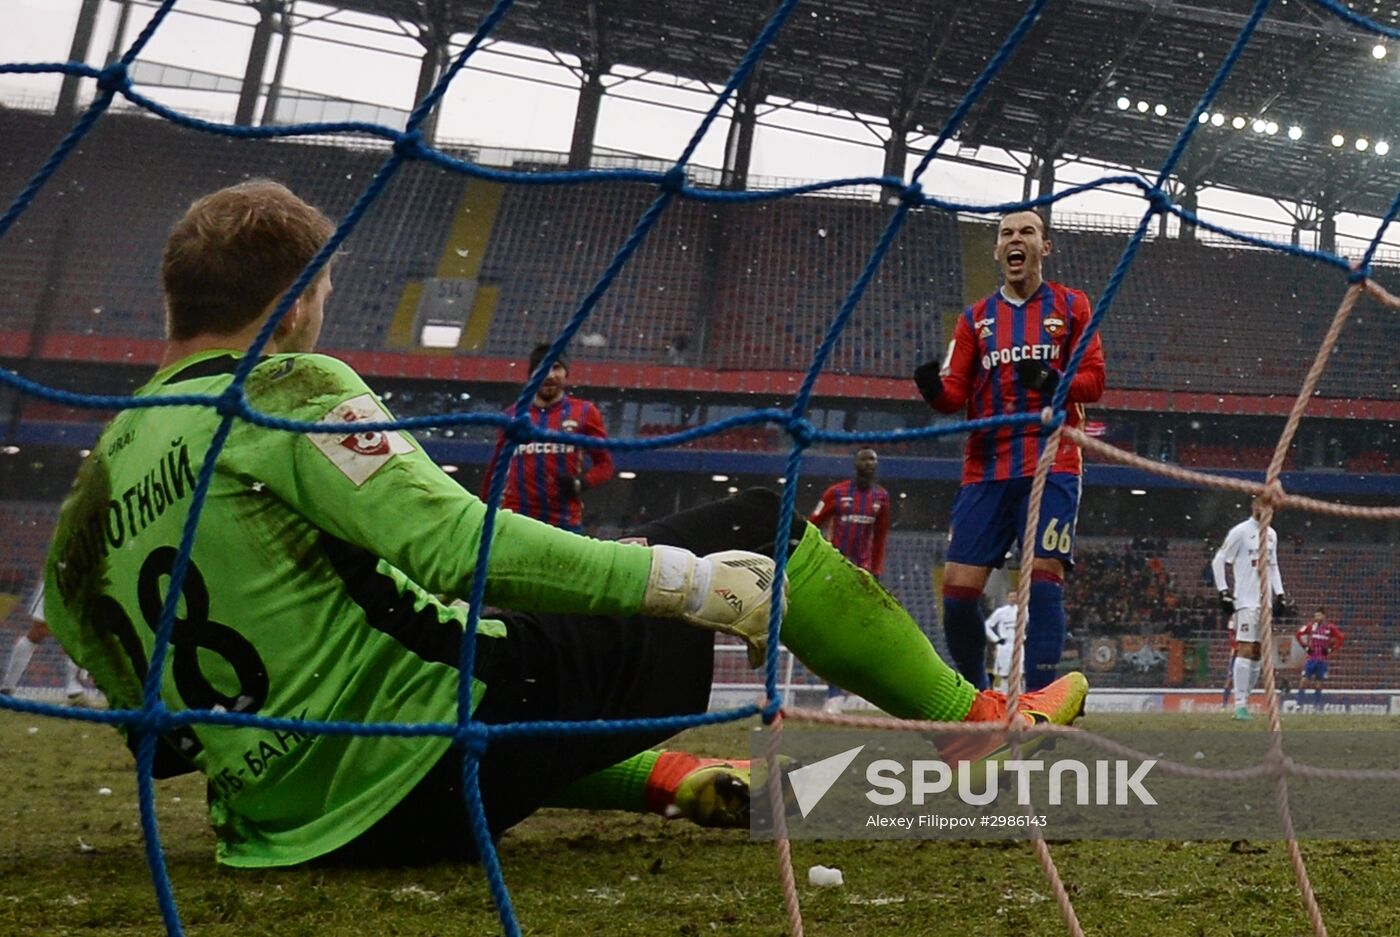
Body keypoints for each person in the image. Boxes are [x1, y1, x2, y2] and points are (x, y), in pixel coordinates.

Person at [40, 180, 1089, 869]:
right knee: (753, 520)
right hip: (425, 775)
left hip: (273, 833)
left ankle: (665, 778)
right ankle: (971, 722)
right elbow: (455, 546)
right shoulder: (286, 383)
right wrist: (685, 582)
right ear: (306, 294)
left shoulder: (101, 478)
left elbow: (147, 718)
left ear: (173, 302)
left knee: (465, 667)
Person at [913, 209, 1106, 691]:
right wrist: (932, 391)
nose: (1015, 240)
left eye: (1027, 232)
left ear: (1045, 247)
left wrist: (1055, 381)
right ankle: (979, 696)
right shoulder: (974, 319)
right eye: (1006, 234)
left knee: (1042, 581)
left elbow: (1095, 382)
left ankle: (1039, 700)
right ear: (998, 251)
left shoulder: (1072, 305)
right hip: (985, 467)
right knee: (957, 597)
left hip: (1052, 461)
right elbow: (954, 394)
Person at [483, 343, 613, 533]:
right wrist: (486, 511)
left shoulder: (585, 412)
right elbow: (496, 469)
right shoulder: (512, 416)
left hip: (564, 523)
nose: (550, 375)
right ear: (531, 376)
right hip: (516, 522)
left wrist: (582, 482)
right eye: (542, 368)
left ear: (566, 373)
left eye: (556, 367)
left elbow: (605, 465)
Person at [807, 447, 891, 712]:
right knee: (833, 633)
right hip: (835, 569)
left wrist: (875, 571)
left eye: (874, 460)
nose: (870, 463)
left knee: (861, 633)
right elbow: (813, 523)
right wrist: (818, 555)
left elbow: (880, 537)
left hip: (863, 574)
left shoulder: (881, 497)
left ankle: (860, 691)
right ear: (856, 463)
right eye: (865, 459)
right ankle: (833, 695)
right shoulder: (837, 493)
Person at [1211, 498, 1287, 721]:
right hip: (1245, 601)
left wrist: (1280, 594)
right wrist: (1223, 591)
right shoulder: (1240, 532)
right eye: (1265, 507)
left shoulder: (1271, 535)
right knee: (1244, 649)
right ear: (1255, 507)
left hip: (1265, 604)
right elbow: (1219, 559)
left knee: (1258, 655)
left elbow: (1273, 566)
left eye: (1272, 508)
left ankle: (1245, 700)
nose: (1269, 512)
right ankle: (1240, 705)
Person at [0, 581, 87, 703]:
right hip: (58, 577)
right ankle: (7, 687)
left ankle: (74, 686)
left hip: (87, 582)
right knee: (39, 630)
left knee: (81, 631)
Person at [1294, 607, 1344, 707]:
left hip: (1322, 660)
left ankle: (1316, 705)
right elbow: (1298, 634)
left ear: (1324, 616)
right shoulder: (1311, 626)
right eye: (1315, 616)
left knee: (1318, 684)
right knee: (1303, 681)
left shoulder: (1330, 628)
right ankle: (1299, 704)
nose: (1317, 617)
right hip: (1311, 659)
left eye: (1319, 615)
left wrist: (1331, 649)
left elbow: (1341, 637)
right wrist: (1305, 647)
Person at [983, 591, 1023, 693]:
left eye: (1014, 596)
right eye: (1010, 597)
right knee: (1005, 673)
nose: (1012, 599)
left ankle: (1020, 696)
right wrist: (996, 639)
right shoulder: (1000, 612)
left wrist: (1026, 637)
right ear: (1007, 598)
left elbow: (1030, 625)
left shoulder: (1023, 611)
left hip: (1019, 644)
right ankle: (1005, 696)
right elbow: (987, 625)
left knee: (1018, 673)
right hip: (1005, 645)